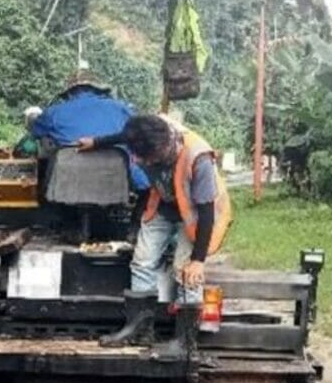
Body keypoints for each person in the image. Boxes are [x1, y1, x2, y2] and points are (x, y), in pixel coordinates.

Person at [78, 114, 232, 361]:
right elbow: (126, 136)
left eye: (145, 158)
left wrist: (198, 260)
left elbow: (206, 214)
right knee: (142, 261)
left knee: (185, 271)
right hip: (164, 205)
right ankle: (140, 330)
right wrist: (96, 142)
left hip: (195, 214)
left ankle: (185, 341)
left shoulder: (198, 158)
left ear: (163, 149)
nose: (139, 161)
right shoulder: (148, 131)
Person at [29, 68, 149, 191]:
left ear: (69, 93)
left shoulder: (53, 113)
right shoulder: (120, 108)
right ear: (99, 90)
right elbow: (142, 130)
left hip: (68, 186)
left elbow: (34, 132)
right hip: (115, 185)